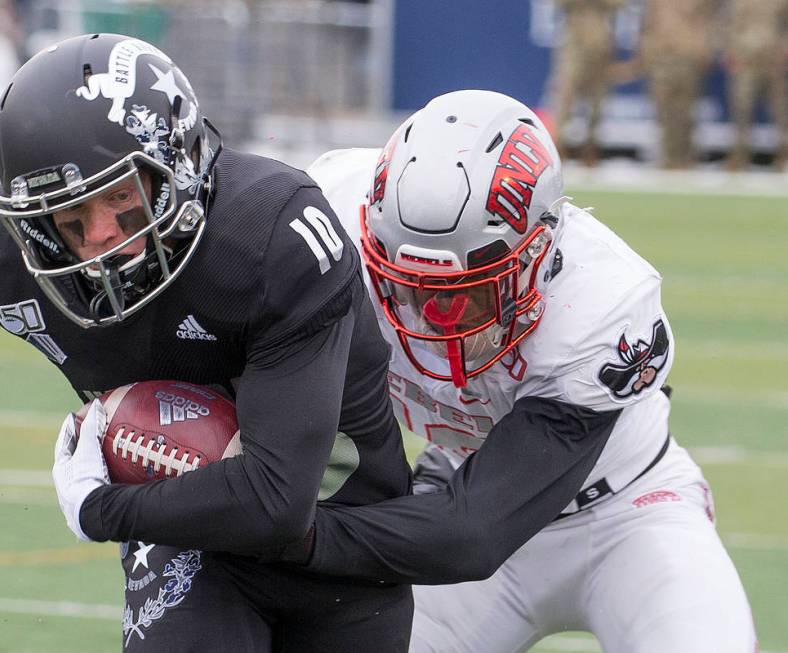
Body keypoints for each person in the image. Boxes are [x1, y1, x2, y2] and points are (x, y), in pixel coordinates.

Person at [0, 33, 416, 652]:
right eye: (70, 219)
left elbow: (276, 500)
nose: (102, 238)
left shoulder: (270, 236)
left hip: (345, 536)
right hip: (192, 540)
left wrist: (99, 510)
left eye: (122, 200)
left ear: (177, 167)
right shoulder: (14, 250)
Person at [300, 90, 758, 651]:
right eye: (406, 285)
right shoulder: (329, 216)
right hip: (461, 477)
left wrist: (293, 532)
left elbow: (472, 534)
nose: (434, 316)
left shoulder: (600, 306)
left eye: (469, 291)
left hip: (629, 514)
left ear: (537, 251)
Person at [638, 0, 717, 169]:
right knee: (663, 110)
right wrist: (647, 52)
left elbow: (705, 22)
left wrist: (704, 49)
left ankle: (686, 157)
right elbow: (647, 24)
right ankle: (668, 157)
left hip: (687, 55)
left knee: (686, 111)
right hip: (662, 56)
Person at [549, 0, 626, 166]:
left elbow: (620, 4)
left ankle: (591, 147)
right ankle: (559, 147)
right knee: (565, 94)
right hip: (574, 40)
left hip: (600, 42)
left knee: (597, 99)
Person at [724, 0, 788, 171]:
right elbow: (729, 24)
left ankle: (784, 156)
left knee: (781, 110)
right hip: (746, 60)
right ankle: (740, 156)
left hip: (773, 60)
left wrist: (784, 50)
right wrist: (732, 52)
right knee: (741, 108)